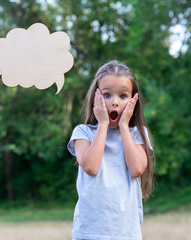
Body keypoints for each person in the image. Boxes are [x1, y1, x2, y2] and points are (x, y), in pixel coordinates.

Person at [67, 60, 154, 240]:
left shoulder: (138, 134)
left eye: (123, 96)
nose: (115, 102)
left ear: (133, 100)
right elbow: (91, 167)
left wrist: (123, 126)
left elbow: (137, 169)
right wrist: (103, 124)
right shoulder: (83, 133)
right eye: (107, 95)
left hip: (126, 233)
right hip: (89, 232)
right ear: (95, 98)